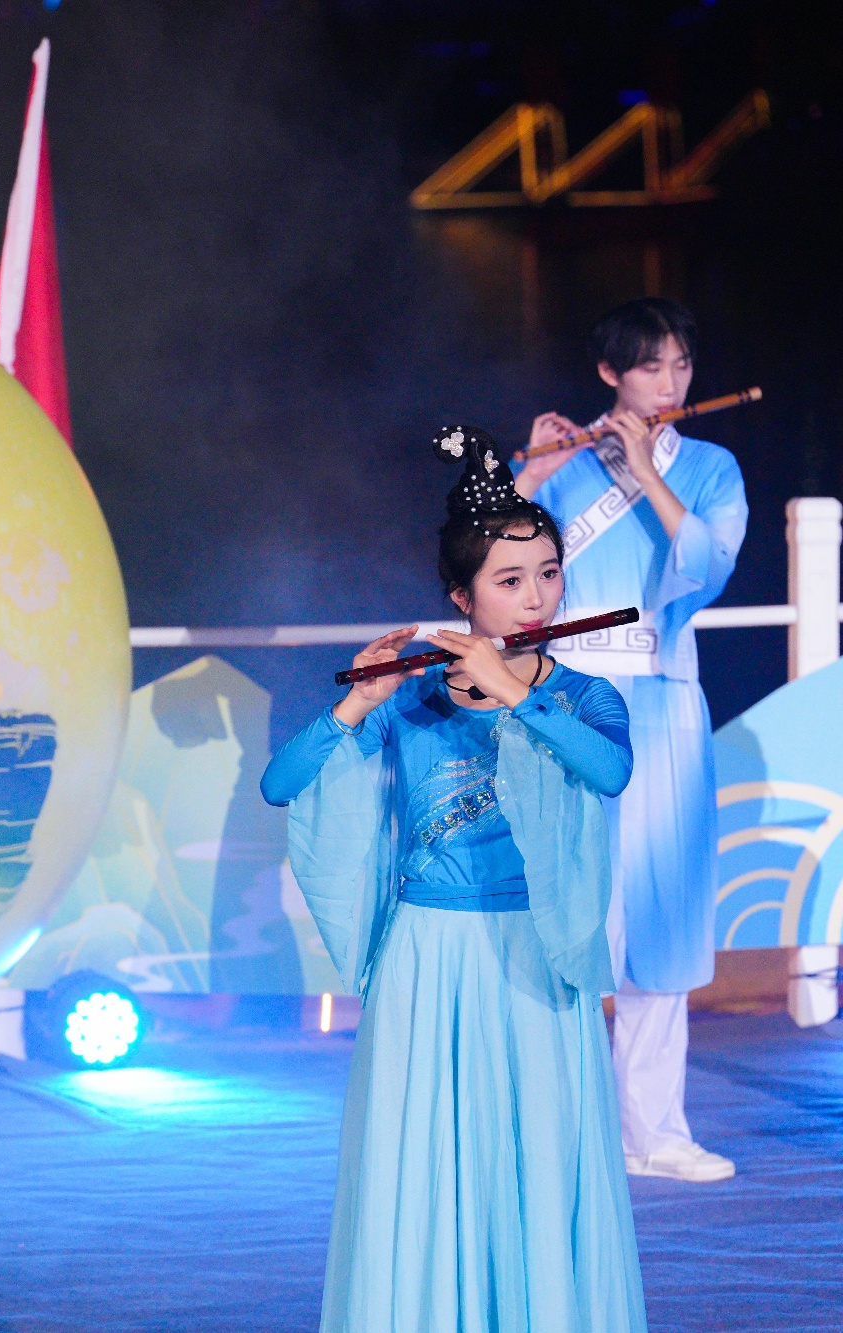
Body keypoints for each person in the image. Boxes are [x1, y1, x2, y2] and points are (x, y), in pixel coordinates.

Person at [264, 426, 645, 1332]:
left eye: (548, 572)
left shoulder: (584, 695)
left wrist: (517, 694)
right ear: (461, 596)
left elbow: (610, 771)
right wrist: (355, 702)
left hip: (538, 951)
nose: (536, 595)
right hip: (428, 957)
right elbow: (283, 785)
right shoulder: (413, 697)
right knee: (425, 1156)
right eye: (509, 581)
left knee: (540, 1153)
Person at [516, 297, 747, 1183]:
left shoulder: (711, 467)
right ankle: (556, 1130)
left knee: (661, 911)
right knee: (564, 907)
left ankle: (653, 1132)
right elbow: (479, 568)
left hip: (664, 697)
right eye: (651, 365)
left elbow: (710, 566)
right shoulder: (558, 464)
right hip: (567, 699)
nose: (671, 381)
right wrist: (531, 477)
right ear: (610, 373)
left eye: (682, 364)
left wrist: (647, 470)